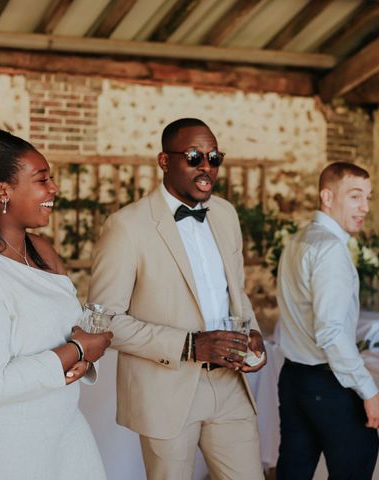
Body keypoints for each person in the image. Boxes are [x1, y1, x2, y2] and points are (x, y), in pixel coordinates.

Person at [88, 118, 267, 479]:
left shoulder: (227, 215)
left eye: (214, 157)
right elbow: (102, 321)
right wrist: (190, 346)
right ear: (165, 161)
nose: (206, 167)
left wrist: (253, 333)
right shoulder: (127, 226)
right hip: (165, 391)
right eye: (194, 156)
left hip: (230, 384)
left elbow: (236, 293)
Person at [0, 130, 113, 479]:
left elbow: (66, 331)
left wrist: (83, 353)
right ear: (2, 191)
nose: (53, 189)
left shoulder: (42, 251)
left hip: (62, 431)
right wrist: (77, 349)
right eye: (41, 180)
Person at [275, 162, 379, 480]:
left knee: (294, 472)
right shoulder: (329, 250)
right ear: (327, 196)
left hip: (294, 379)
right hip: (327, 384)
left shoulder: (298, 240)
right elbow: (331, 333)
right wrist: (370, 392)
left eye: (368, 197)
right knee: (355, 465)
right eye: (355, 196)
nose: (365, 207)